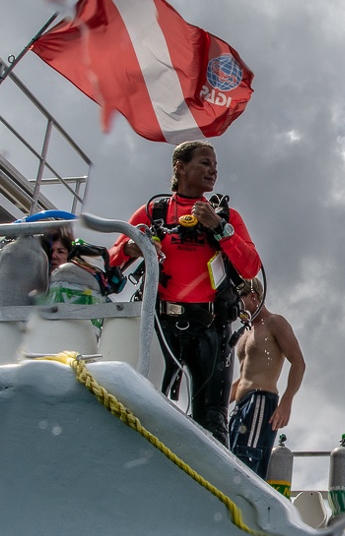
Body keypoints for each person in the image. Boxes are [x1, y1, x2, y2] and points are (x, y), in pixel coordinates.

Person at [109, 141, 261, 444]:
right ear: (180, 167)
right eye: (205, 163)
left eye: (215, 165)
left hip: (210, 327)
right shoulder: (154, 211)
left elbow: (251, 267)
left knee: (213, 417)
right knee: (145, 402)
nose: (213, 170)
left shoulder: (226, 217)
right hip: (160, 324)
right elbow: (112, 260)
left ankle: (210, 484)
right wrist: (131, 246)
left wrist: (218, 227)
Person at [228, 278, 306, 477]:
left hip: (260, 402)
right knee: (230, 457)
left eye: (239, 300)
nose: (236, 307)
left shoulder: (274, 322)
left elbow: (298, 362)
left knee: (245, 462)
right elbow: (244, 376)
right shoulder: (246, 332)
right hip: (240, 406)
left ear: (253, 297)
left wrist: (286, 401)